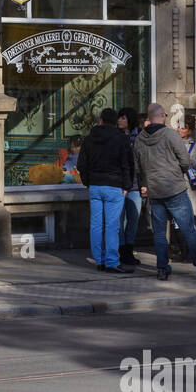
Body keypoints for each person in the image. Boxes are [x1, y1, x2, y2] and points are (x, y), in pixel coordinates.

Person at [134, 102, 196, 282]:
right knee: (189, 229)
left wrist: (147, 182)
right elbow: (185, 162)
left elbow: (138, 166)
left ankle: (162, 269)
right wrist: (176, 172)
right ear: (163, 115)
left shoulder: (140, 139)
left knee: (159, 233)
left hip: (155, 190)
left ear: (149, 118)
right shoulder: (170, 135)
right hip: (174, 189)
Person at [77, 107, 134, 274]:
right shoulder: (121, 139)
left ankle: (99, 260)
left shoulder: (89, 139)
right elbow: (127, 164)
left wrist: (89, 182)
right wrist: (126, 186)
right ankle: (111, 261)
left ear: (100, 120)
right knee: (112, 226)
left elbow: (81, 165)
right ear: (115, 122)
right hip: (114, 185)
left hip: (95, 185)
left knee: (95, 225)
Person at [170, 114, 196, 260]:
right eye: (179, 126)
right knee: (177, 220)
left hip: (192, 189)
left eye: (184, 127)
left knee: (192, 219)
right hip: (175, 186)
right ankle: (183, 251)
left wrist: (191, 161)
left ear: (190, 130)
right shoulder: (171, 144)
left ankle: (192, 252)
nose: (180, 129)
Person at [116, 106, 142, 266]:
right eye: (119, 117)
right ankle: (121, 249)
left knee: (133, 219)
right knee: (118, 220)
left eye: (123, 118)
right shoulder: (116, 137)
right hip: (119, 185)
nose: (120, 120)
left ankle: (128, 250)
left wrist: (144, 184)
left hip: (135, 186)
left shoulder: (139, 137)